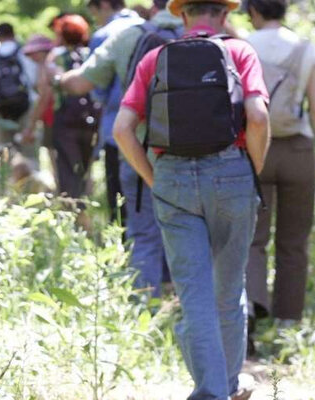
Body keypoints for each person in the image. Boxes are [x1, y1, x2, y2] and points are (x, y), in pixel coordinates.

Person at [113, 0, 270, 398]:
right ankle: (227, 387)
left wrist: (154, 180)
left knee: (194, 292)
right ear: (225, 13)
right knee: (229, 288)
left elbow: (122, 130)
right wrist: (252, 169)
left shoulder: (155, 58)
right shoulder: (239, 51)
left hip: (172, 178)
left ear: (182, 15)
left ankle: (212, 391)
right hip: (232, 172)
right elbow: (259, 116)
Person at [60, 0, 181, 296]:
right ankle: (184, 303)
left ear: (154, 6)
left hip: (135, 146)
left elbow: (81, 83)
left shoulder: (128, 35)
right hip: (194, 153)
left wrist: (55, 78)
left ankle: (146, 304)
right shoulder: (206, 36)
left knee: (142, 230)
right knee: (188, 229)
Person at [243, 0, 315, 355]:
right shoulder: (305, 48)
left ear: (253, 10)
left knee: (252, 239)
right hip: (297, 151)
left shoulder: (242, 45)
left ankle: (248, 317)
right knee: (293, 241)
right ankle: (287, 330)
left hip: (255, 149)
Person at [24, 15, 99, 209]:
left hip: (64, 119)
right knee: (87, 170)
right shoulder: (91, 54)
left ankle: (73, 214)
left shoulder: (56, 56)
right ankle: (88, 209)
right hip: (91, 119)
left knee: (66, 169)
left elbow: (45, 94)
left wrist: (31, 126)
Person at [86, 0, 144, 224]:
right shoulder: (149, 28)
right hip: (154, 132)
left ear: (103, 5)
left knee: (119, 204)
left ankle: (123, 252)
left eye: (94, 13)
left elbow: (97, 89)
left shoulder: (104, 35)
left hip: (116, 130)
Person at [0, 23, 39, 173]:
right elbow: (35, 81)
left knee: (2, 152)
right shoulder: (25, 56)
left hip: (0, 111)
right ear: (13, 34)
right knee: (30, 153)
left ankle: (5, 187)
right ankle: (33, 188)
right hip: (25, 108)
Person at [21, 35, 56, 151]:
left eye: (33, 53)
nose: (31, 57)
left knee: (54, 154)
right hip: (52, 117)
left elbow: (44, 97)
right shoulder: (51, 65)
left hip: (54, 118)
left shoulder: (46, 67)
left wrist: (31, 126)